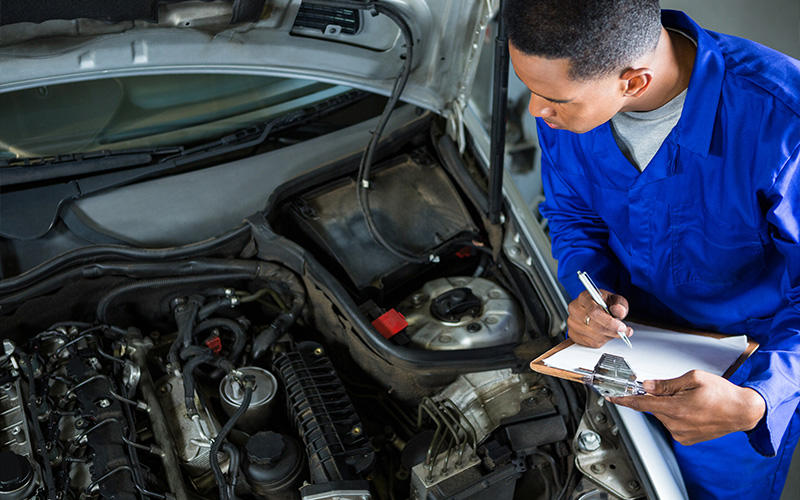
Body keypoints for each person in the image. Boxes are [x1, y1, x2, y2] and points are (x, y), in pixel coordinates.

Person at [503, 0, 800, 498]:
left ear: (633, 82)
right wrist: (591, 291)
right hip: (620, 356)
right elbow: (574, 217)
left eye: (553, 98)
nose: (536, 110)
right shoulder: (564, 99)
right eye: (530, 89)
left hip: (738, 382)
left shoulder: (783, 124)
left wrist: (758, 401)